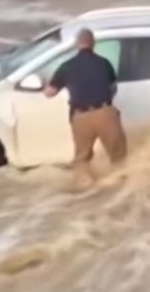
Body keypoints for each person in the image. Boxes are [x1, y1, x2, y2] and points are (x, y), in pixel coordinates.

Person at [44, 28, 127, 187]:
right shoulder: (104, 63)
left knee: (81, 160)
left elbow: (50, 93)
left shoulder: (66, 66)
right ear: (93, 43)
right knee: (119, 158)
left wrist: (48, 83)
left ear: (77, 44)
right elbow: (113, 88)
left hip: (81, 117)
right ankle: (120, 189)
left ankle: (85, 191)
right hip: (105, 113)